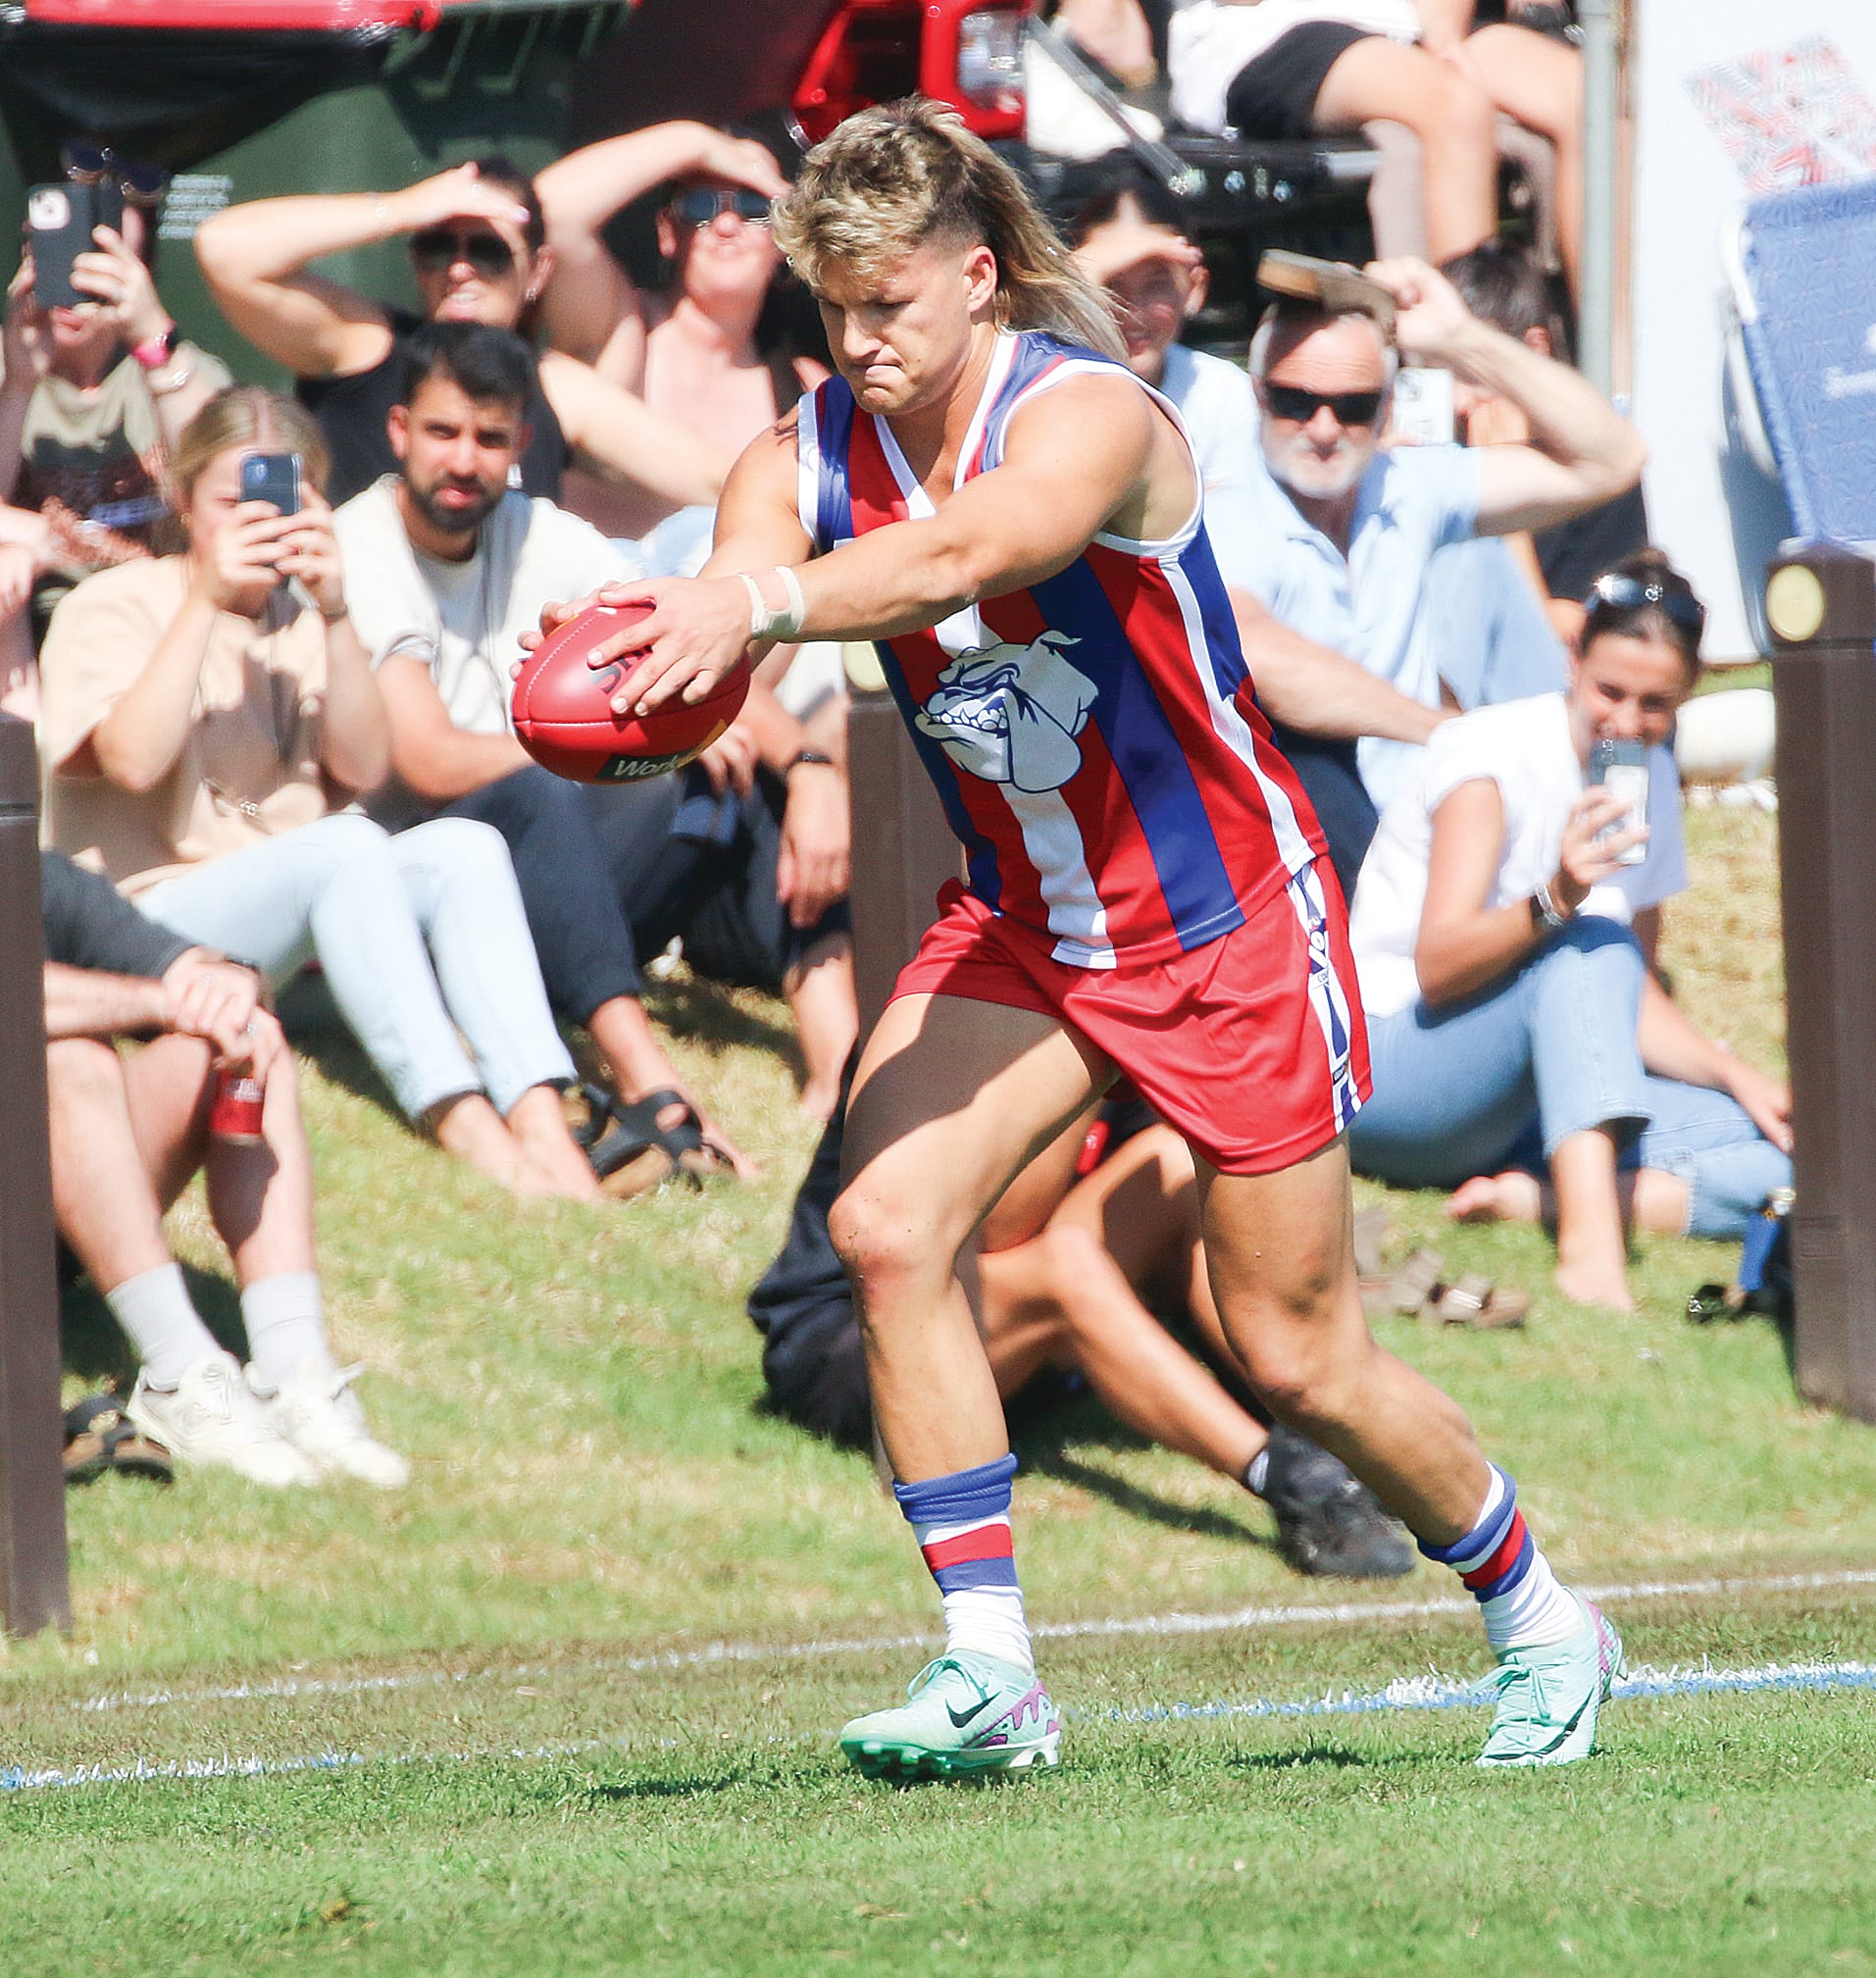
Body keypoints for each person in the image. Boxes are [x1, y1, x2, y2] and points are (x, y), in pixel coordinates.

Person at [539, 100, 1624, 1781]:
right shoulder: (803, 447)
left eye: (888, 305)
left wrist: (748, 607)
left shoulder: (1095, 415)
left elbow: (977, 551)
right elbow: (744, 587)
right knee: (888, 1225)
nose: (859, 343)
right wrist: (638, 661)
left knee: (1292, 1349)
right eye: (831, 310)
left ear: (978, 277)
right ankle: (992, 1677)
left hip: (1221, 926)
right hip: (1030, 926)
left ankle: (1541, 1613)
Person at [36, 385, 599, 1200]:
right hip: (154, 939)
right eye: (234, 501)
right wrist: (204, 602)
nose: (255, 523)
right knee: (343, 844)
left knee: (462, 848)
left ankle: (544, 1122)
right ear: (185, 498)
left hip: (294, 946)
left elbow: (366, 767)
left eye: (280, 502)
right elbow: (129, 761)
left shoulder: (304, 619)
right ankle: (462, 1118)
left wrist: (335, 610)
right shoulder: (113, 604)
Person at [334, 322, 854, 1141]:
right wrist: (596, 747)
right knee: (539, 785)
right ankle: (656, 1095)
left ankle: (842, 1068)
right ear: (399, 431)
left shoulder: (540, 533)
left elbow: (693, 653)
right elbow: (426, 762)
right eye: (442, 432)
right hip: (427, 896)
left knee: (744, 769)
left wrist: (809, 765)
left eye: (489, 437)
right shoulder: (357, 545)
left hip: (565, 876)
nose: (465, 459)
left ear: (522, 444)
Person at [1346, 554, 1793, 1309]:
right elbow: (1437, 965)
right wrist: (1555, 894)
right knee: (1587, 943)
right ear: (1570, 661)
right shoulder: (1487, 756)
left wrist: (1736, 1076)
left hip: (1516, 1097)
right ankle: (1590, 1251)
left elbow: (1628, 996)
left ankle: (1544, 1199)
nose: (1625, 721)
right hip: (1390, 1072)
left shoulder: (1646, 774)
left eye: (1655, 703)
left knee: (1792, 1155)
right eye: (1608, 691)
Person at [753, 1069, 1414, 1580]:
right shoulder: (950, 1033)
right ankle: (1286, 1478)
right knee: (1064, 1266)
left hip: (1016, 1328)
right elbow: (993, 1237)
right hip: (854, 1341)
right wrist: (1080, 1060)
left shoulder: (1123, 1015)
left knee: (1182, 1159)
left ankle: (1319, 1424)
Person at [1217, 262, 1645, 882]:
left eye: (1353, 406)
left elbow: (1613, 458)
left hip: (1431, 823)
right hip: (1307, 846)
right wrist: (1447, 733)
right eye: (1295, 401)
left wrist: (1460, 337)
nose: (1324, 428)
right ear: (1257, 393)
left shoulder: (1406, 486)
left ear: (1388, 407)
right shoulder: (1231, 508)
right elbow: (1262, 657)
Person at [41, 847, 407, 1486]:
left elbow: (193, 969)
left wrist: (225, 985)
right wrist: (166, 1001)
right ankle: (176, 1370)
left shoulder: (33, 875)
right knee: (71, 1060)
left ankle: (293, 1370)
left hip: (48, 1215)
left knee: (247, 1035)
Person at [191, 156, 729, 514]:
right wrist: (402, 209)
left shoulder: (554, 385)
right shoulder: (365, 346)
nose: (460, 270)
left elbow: (714, 479)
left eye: (489, 251)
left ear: (538, 272)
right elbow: (223, 249)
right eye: (439, 248)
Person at [1, 146, 228, 712]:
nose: (78, 284)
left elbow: (227, 494)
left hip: (162, 628)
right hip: (35, 638)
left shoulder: (179, 374)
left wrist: (153, 338)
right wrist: (21, 386)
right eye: (63, 255)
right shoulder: (8, 371)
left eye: (101, 263)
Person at [1168, 0, 1584, 294]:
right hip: (1269, 29)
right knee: (1456, 106)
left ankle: (1622, 383)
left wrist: (1443, 35)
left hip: (1412, 23)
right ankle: (1465, 377)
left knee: (1590, 100)